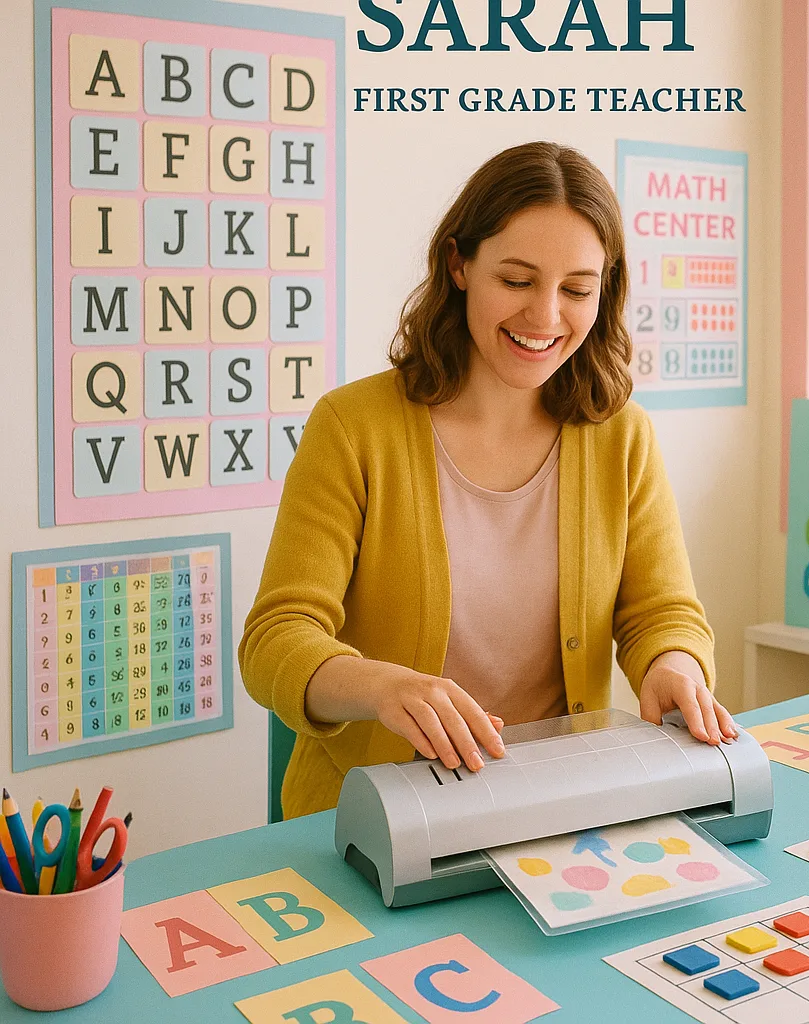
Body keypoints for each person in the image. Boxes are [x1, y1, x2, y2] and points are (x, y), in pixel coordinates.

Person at [239, 141, 736, 820]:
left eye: (577, 290)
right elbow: (277, 637)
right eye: (517, 279)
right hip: (374, 819)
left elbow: (661, 613)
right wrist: (382, 687)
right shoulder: (352, 428)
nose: (545, 316)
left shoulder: (621, 436)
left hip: (561, 807)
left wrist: (673, 668)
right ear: (459, 263)